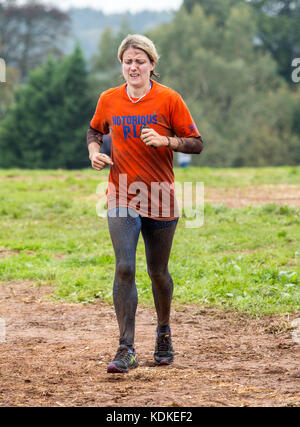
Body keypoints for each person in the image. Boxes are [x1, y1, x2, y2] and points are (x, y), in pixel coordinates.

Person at [87, 34, 203, 373]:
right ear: (121, 65)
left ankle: (164, 331)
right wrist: (95, 153)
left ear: (152, 64)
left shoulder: (169, 99)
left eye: (140, 60)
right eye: (128, 61)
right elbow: (94, 131)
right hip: (121, 192)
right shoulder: (108, 99)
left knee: (158, 273)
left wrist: (166, 140)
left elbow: (196, 143)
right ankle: (126, 348)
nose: (133, 66)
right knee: (124, 267)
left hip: (160, 195)